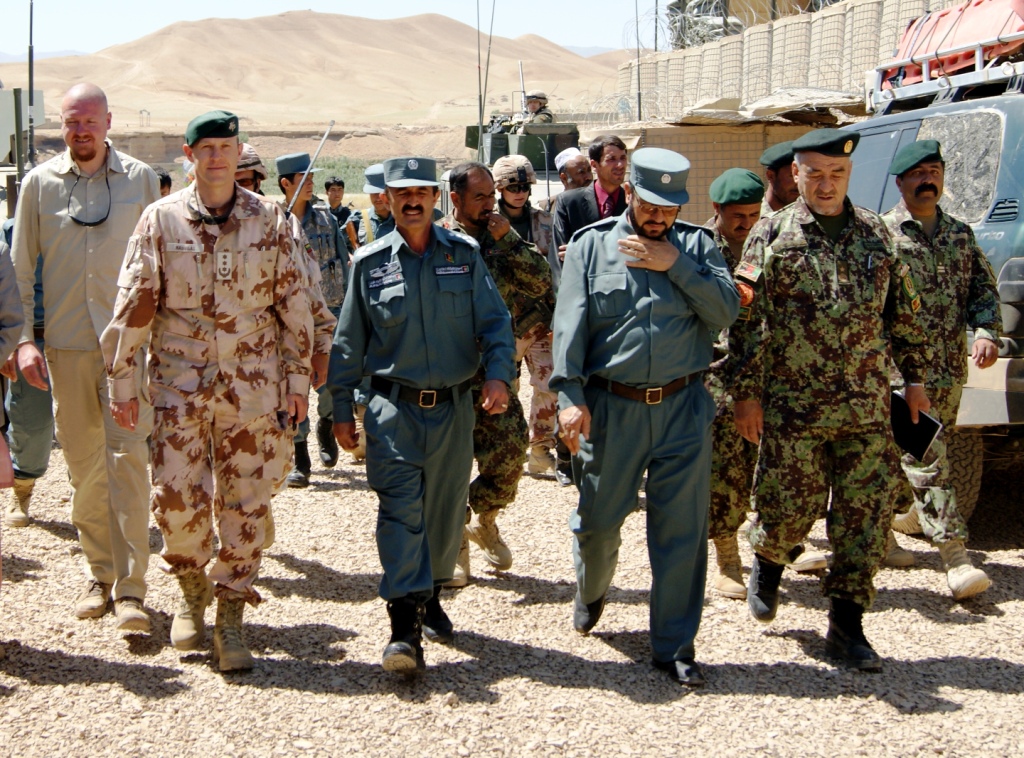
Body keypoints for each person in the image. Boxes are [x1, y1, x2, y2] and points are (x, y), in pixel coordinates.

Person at [102, 110, 313, 672]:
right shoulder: (159, 220)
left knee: (247, 503)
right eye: (206, 148)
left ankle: (230, 617)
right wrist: (122, 380)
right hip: (178, 388)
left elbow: (294, 307)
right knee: (175, 502)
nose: (216, 157)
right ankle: (192, 593)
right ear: (188, 153)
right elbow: (133, 306)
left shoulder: (270, 220)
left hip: (253, 389)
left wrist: (298, 383)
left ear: (238, 151)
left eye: (225, 147)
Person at [729, 128, 931, 672]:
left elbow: (903, 313)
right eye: (813, 174)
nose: (825, 184)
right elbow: (745, 322)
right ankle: (769, 559)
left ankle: (847, 628)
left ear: (849, 175)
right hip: (794, 408)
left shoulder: (876, 234)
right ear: (795, 175)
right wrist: (745, 394)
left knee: (863, 520)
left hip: (866, 408)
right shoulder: (771, 234)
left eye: (836, 174)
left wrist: (915, 379)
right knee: (791, 511)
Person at [551, 147, 740, 687]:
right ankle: (591, 589)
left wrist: (674, 266)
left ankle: (675, 645)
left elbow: (726, 311)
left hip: (683, 408)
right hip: (613, 409)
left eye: (670, 208)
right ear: (629, 192)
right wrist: (570, 398)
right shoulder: (591, 247)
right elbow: (570, 330)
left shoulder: (699, 248)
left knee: (681, 533)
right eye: (650, 204)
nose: (659, 218)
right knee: (597, 522)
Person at [327, 156, 515, 675]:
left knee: (446, 515)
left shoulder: (465, 255)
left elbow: (496, 323)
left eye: (421, 191)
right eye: (400, 191)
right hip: (393, 413)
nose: (412, 200)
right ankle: (402, 626)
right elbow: (347, 346)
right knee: (400, 513)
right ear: (385, 198)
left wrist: (498, 375)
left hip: (455, 411)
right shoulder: (368, 264)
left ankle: (430, 593)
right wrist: (342, 409)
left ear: (436, 197)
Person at [11, 83, 159, 632]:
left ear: (108, 122)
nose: (81, 132)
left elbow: (158, 266)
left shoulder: (141, 180)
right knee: (85, 469)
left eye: (90, 121)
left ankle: (132, 591)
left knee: (129, 463)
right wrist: (22, 339)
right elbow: (20, 271)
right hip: (67, 348)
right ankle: (99, 574)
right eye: (72, 122)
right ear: (63, 125)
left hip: (128, 353)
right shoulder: (38, 185)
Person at [882, 139, 1000, 600]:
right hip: (898, 371)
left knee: (917, 454)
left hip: (949, 369)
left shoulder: (959, 234)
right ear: (901, 182)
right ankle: (954, 554)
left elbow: (982, 291)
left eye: (934, 171)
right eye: (918, 173)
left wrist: (986, 330)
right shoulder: (884, 235)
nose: (928, 180)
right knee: (925, 456)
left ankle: (880, 535)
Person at [702, 168, 828, 600]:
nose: (746, 222)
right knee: (728, 473)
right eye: (737, 215)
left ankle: (779, 543)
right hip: (718, 377)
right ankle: (727, 559)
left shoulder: (773, 241)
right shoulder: (700, 246)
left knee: (779, 466)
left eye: (754, 213)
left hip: (775, 371)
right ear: (716, 210)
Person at [439, 161, 550, 587]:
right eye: (480, 197)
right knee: (449, 464)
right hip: (450, 374)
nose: (489, 204)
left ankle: (481, 518)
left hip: (496, 371)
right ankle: (454, 546)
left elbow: (541, 283)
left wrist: (511, 241)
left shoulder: (503, 234)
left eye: (492, 195)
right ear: (456, 199)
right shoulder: (441, 239)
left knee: (508, 458)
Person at [276, 153, 347, 487]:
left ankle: (325, 425)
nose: (311, 184)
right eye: (302, 178)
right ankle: (300, 456)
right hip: (290, 322)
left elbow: (339, 264)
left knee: (330, 384)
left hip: (327, 314)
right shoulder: (274, 220)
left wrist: (345, 309)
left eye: (311, 177)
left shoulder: (325, 220)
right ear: (285, 184)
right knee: (294, 385)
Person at [492, 154, 559, 480]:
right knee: (506, 386)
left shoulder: (544, 221)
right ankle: (510, 446)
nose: (519, 192)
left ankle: (541, 449)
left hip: (540, 320)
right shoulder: (487, 224)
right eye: (512, 186)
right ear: (500, 188)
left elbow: (554, 271)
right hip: (503, 322)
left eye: (523, 186)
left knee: (548, 384)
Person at [2, 219, 50, 529]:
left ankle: (86, 498)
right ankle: (23, 488)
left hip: (83, 337)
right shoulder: (10, 232)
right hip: (28, 337)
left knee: (86, 424)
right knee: (30, 423)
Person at [356, 164, 396, 247]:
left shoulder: (401, 219)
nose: (378, 197)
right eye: (374, 193)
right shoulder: (359, 217)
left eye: (382, 193)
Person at [759, 141, 798, 215]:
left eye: (801, 176)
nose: (798, 182)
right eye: (792, 175)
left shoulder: (809, 217)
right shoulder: (752, 217)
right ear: (770, 175)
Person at [322, 175, 359, 253]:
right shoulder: (320, 214)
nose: (337, 193)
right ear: (326, 192)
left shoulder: (350, 216)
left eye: (340, 189)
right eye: (333, 190)